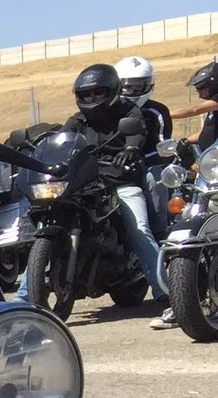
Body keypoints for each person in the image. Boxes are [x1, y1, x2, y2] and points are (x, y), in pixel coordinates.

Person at [61, 63, 170, 317]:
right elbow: (63, 141)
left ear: (111, 91)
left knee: (139, 229)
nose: (91, 99)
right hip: (86, 185)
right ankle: (24, 298)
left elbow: (137, 133)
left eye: (97, 93)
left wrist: (130, 149)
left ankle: (163, 289)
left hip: (121, 183)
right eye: (86, 94)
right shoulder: (77, 120)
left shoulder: (128, 111)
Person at [115, 55, 171, 141]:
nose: (133, 92)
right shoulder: (108, 110)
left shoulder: (157, 112)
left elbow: (162, 144)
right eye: (127, 87)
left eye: (138, 87)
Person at [176, 61, 218, 152]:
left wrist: (166, 114)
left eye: (200, 88)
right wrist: (187, 141)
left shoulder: (215, 102)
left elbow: (195, 110)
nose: (199, 95)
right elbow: (207, 132)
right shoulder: (213, 107)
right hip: (208, 158)